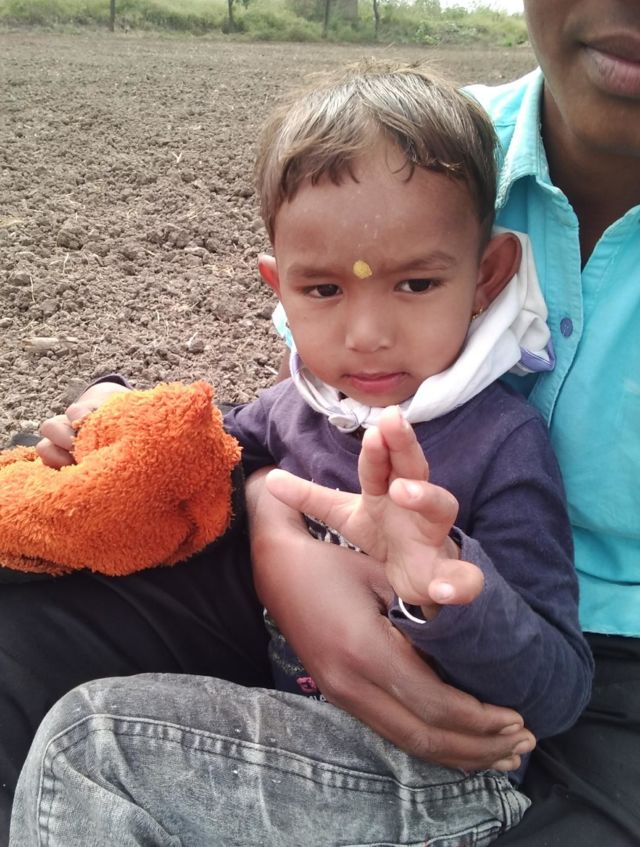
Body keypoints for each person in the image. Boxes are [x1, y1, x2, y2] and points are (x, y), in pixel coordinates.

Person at [2, 0, 639, 843]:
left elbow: (557, 692)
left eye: (416, 285)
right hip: (304, 724)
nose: (366, 333)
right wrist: (112, 410)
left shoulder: (500, 445)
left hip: (438, 780)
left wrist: (448, 590)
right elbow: (209, 443)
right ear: (281, 285)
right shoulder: (308, 402)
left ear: (486, 277)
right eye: (326, 290)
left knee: (92, 746)